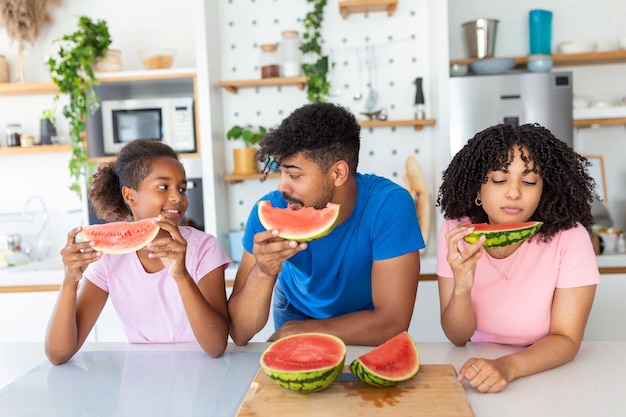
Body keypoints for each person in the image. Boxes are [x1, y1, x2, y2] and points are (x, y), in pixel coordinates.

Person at [227, 102, 425, 346]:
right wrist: (263, 271)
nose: (281, 188)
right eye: (281, 173)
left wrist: (300, 331)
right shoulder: (268, 209)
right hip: (294, 313)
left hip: (364, 326)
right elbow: (239, 331)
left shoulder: (389, 205)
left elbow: (392, 322)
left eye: (295, 175)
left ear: (338, 173)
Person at [436, 123, 600, 393]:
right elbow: (457, 336)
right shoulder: (456, 232)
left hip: (546, 372)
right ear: (477, 188)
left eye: (529, 181)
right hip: (473, 365)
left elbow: (567, 339)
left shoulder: (570, 237)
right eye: (500, 180)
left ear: (544, 188)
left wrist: (507, 367)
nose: (513, 192)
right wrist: (462, 287)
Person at [45, 140, 230, 365]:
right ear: (130, 196)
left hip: (203, 377)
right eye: (163, 187)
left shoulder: (204, 248)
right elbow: (58, 354)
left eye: (182, 189)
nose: (177, 197)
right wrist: (70, 281)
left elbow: (216, 346)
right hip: (139, 381)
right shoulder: (109, 258)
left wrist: (181, 275)